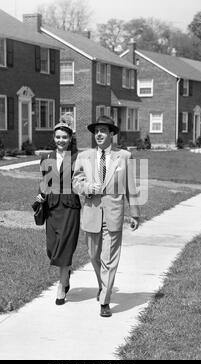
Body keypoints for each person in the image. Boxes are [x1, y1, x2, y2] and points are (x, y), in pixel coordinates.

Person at [73, 115, 141, 318]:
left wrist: (135, 213)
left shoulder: (125, 157)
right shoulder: (84, 157)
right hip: (92, 212)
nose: (99, 134)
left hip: (113, 214)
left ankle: (105, 300)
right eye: (97, 131)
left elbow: (131, 187)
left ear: (112, 133)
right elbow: (76, 182)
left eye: (103, 130)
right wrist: (87, 187)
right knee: (94, 255)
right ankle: (102, 286)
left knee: (109, 259)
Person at [37, 122, 81, 306]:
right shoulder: (47, 157)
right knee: (52, 247)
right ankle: (66, 274)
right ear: (54, 138)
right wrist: (40, 194)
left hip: (70, 206)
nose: (61, 140)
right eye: (58, 137)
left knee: (65, 246)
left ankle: (61, 287)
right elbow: (46, 182)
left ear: (70, 138)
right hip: (52, 206)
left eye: (64, 137)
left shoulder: (78, 157)